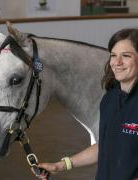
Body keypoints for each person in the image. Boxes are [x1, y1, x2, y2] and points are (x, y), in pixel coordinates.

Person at [33, 28, 138, 180]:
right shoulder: (109, 99)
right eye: (113, 56)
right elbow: (105, 146)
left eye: (126, 56)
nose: (117, 62)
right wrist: (60, 165)